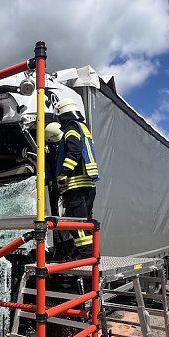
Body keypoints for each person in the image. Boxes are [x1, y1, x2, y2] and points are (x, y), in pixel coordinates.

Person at [51, 98, 100, 258]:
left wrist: (64, 173)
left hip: (76, 186)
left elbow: (74, 152)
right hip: (87, 186)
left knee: (77, 223)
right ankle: (92, 254)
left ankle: (86, 255)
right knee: (85, 223)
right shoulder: (82, 128)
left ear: (62, 114)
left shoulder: (71, 129)